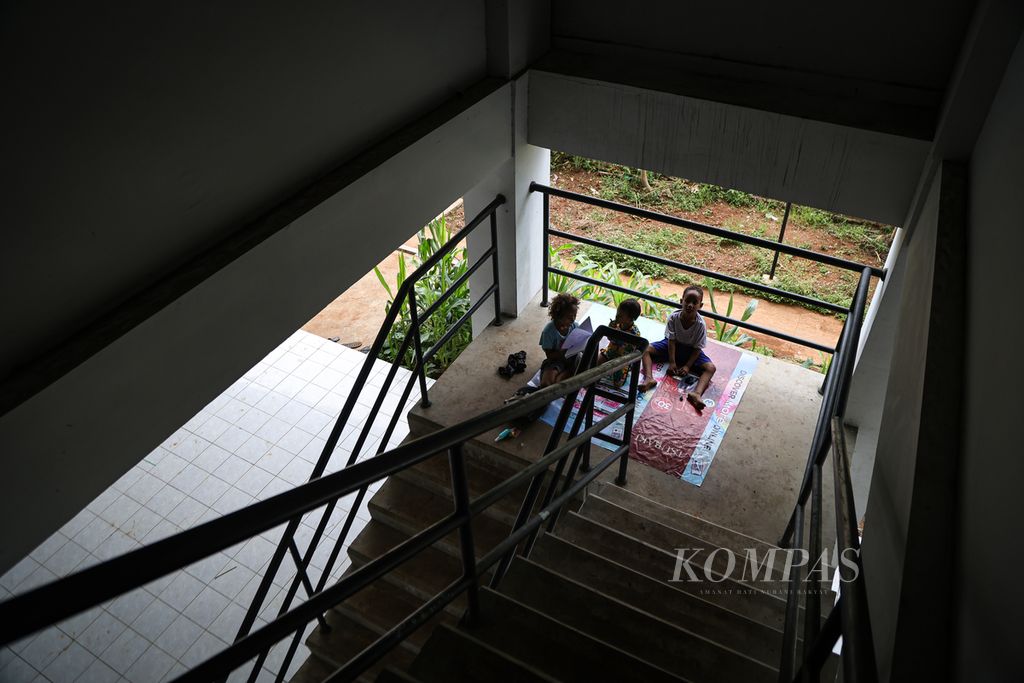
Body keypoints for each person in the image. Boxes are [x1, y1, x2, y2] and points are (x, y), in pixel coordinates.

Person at [642, 285, 717, 410]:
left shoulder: (700, 325)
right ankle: (649, 378)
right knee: (645, 349)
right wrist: (672, 362)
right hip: (671, 346)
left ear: (700, 306)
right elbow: (671, 341)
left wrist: (687, 366)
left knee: (711, 368)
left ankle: (696, 394)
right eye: (687, 301)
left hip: (690, 351)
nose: (690, 305)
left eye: (695, 302)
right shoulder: (673, 318)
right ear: (681, 301)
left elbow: (697, 348)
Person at [598, 299, 654, 388]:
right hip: (610, 352)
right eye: (617, 313)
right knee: (595, 367)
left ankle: (624, 370)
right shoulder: (615, 324)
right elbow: (609, 337)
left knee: (618, 383)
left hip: (623, 359)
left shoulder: (635, 334)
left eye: (620, 315)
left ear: (630, 319)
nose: (617, 316)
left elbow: (631, 350)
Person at [539, 293, 580, 387]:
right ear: (559, 316)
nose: (573, 319)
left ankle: (568, 372)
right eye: (570, 317)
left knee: (559, 384)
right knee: (546, 384)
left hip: (572, 360)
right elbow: (549, 355)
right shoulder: (549, 331)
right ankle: (566, 373)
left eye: (575, 315)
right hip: (556, 361)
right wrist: (563, 352)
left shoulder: (575, 326)